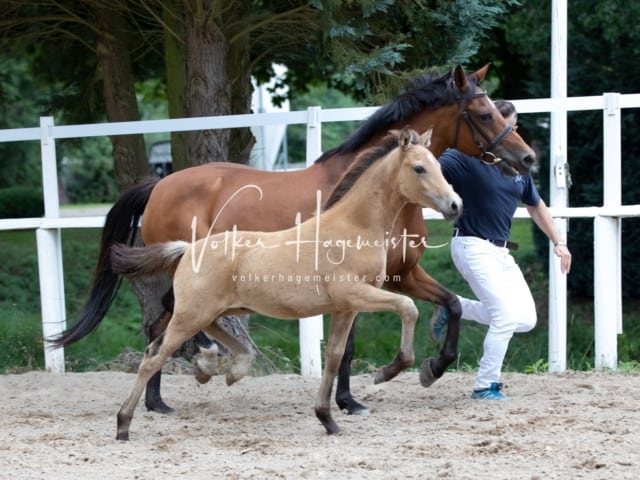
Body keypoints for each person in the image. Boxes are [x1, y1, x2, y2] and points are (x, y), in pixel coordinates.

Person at [430, 100, 572, 400]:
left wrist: (558, 242)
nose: (512, 131)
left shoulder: (518, 168)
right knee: (505, 316)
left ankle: (453, 306)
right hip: (471, 245)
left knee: (525, 319)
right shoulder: (462, 158)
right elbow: (428, 170)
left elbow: (536, 204)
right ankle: (485, 385)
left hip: (502, 253)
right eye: (506, 126)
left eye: (513, 126)